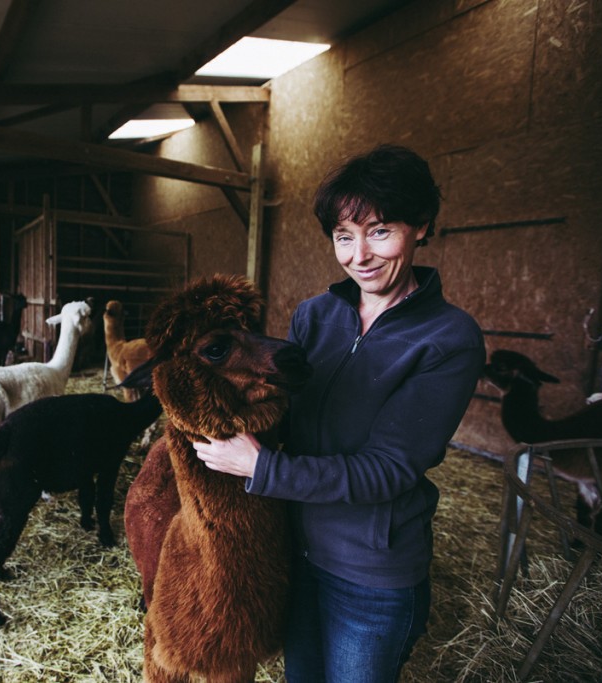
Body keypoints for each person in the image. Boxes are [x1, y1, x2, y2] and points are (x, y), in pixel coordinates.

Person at [192, 144, 485, 683]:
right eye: (343, 236)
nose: (359, 256)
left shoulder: (447, 338)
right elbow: (281, 416)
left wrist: (264, 471)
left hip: (370, 576)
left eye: (379, 231)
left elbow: (390, 468)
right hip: (295, 555)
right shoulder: (316, 315)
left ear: (422, 225)